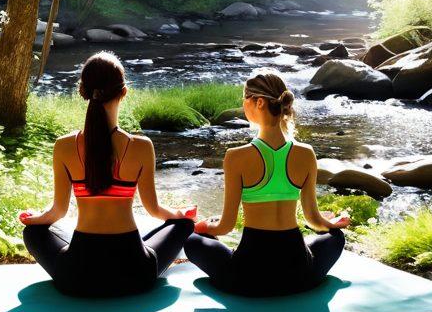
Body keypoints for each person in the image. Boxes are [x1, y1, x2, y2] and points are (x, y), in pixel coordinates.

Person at [19, 52, 195, 298]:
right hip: (135, 275)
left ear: (84, 91)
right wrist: (180, 215)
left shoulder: (64, 146)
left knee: (33, 232)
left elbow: (57, 212)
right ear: (123, 92)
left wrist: (34, 219)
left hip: (77, 276)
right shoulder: (142, 146)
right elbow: (154, 209)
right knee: (183, 225)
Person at [184, 69, 349, 297]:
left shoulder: (236, 156)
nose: (243, 103)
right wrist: (333, 224)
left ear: (259, 102)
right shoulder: (306, 153)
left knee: (192, 241)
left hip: (248, 276)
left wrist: (201, 228)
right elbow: (314, 219)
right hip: (298, 273)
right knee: (336, 238)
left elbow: (225, 226)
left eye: (245, 97)